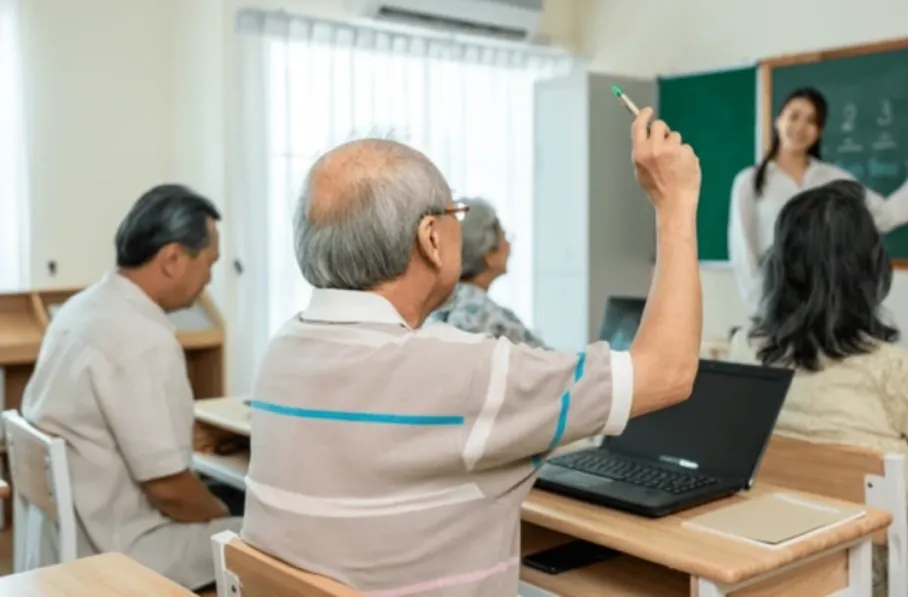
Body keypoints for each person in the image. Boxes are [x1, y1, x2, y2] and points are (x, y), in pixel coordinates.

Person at [241, 106, 703, 595]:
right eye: (455, 211)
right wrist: (674, 204)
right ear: (431, 238)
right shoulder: (464, 372)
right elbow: (667, 372)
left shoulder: (283, 349)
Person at [728, 180, 908, 597]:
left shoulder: (745, 353)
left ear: (778, 266)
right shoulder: (900, 375)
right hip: (888, 578)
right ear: (869, 271)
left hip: (799, 568)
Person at [20, 185, 242, 590]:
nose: (208, 279)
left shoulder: (80, 309)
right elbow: (170, 490)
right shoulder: (144, 340)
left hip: (68, 533)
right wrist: (221, 508)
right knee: (255, 529)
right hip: (126, 549)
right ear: (173, 258)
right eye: (209, 264)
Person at [728, 86, 908, 312]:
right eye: (794, 116)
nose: (801, 127)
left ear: (820, 131)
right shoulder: (750, 181)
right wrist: (763, 310)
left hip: (828, 309)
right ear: (778, 120)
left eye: (812, 120)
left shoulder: (834, 178)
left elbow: (888, 215)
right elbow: (743, 252)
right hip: (774, 308)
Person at [429, 197, 546, 348]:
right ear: (489, 255)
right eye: (505, 237)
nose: (509, 246)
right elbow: (552, 365)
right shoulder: (491, 319)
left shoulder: (437, 308)